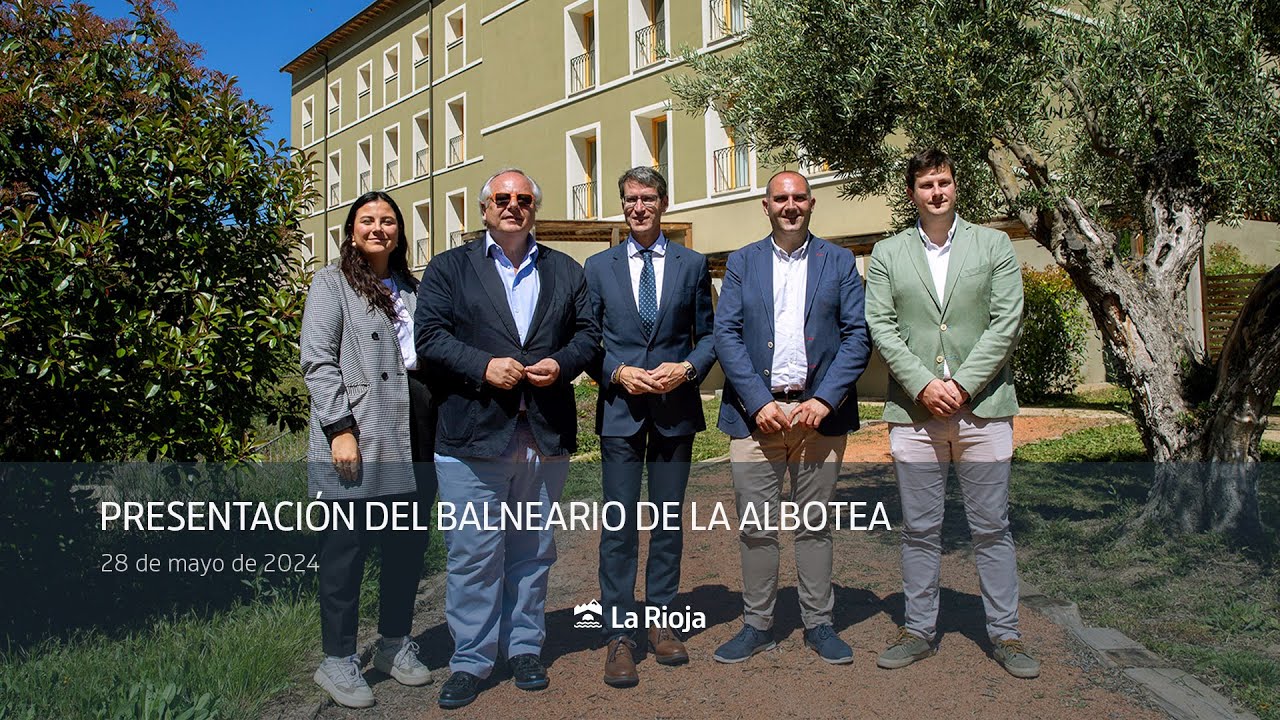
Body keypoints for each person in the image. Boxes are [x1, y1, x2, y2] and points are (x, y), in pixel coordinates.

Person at [414, 168, 600, 709]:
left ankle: (523, 647)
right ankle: (471, 658)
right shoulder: (450, 268)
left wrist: (561, 364)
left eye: (522, 198)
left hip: (542, 435)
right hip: (471, 437)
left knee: (532, 551)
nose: (512, 205)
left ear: (534, 208)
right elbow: (429, 337)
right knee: (473, 553)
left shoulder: (565, 270)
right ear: (485, 209)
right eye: (502, 198)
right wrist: (482, 366)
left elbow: (588, 335)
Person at [864, 148, 1037, 678]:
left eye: (943, 182)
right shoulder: (887, 253)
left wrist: (960, 384)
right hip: (914, 414)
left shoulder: (994, 245)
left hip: (983, 411)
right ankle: (918, 629)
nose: (935, 192)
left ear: (955, 187)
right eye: (924, 185)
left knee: (991, 526)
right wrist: (923, 385)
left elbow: (1006, 321)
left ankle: (1005, 635)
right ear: (912, 193)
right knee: (919, 528)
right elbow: (882, 325)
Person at [712, 171, 870, 665]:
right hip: (756, 417)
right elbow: (727, 335)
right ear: (766, 206)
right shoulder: (742, 262)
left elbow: (856, 336)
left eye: (799, 197)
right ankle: (757, 624)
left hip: (817, 416)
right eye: (781, 198)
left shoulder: (840, 261)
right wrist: (758, 402)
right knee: (757, 527)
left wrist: (823, 400)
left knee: (814, 524)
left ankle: (818, 624)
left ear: (812, 203)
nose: (790, 205)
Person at [300, 190, 437, 709]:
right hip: (360, 431)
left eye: (387, 221)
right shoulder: (330, 283)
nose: (378, 229)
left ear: (399, 231)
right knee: (346, 550)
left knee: (405, 547)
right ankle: (336, 662)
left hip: (416, 431)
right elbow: (316, 360)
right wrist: (339, 429)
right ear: (352, 230)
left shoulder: (412, 288)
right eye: (367, 221)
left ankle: (393, 645)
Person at [583, 167, 716, 688]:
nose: (638, 207)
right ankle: (619, 635)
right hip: (620, 411)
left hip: (674, 412)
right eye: (630, 199)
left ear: (664, 202)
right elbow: (587, 341)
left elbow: (708, 335)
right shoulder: (597, 268)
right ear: (622, 205)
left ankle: (662, 619)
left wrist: (686, 369)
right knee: (618, 524)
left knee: (667, 521)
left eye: (648, 198)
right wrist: (615, 371)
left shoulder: (692, 264)